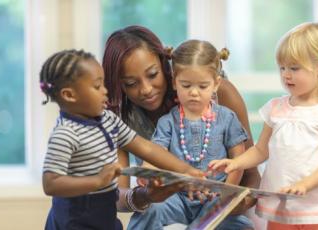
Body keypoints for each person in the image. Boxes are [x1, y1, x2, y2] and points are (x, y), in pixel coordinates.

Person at [102, 25, 260, 220]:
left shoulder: (220, 96)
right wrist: (144, 195)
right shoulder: (120, 118)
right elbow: (118, 196)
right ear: (118, 84)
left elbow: (251, 174)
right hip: (170, 207)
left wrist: (230, 205)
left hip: (221, 206)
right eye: (131, 84)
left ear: (165, 66)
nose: (146, 89)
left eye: (153, 75)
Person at [209, 22, 318, 230]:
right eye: (282, 67)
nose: (286, 74)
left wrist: (305, 184)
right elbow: (260, 150)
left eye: (294, 68)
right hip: (280, 205)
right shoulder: (275, 108)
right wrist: (236, 163)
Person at [40, 49, 203, 230]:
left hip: (104, 216)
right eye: (97, 87)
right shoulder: (65, 134)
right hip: (72, 220)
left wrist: (187, 170)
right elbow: (51, 183)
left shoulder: (108, 119)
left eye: (103, 85)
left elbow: (145, 148)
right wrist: (97, 181)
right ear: (69, 95)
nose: (105, 92)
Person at [130, 39, 253, 229]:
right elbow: (155, 153)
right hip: (177, 196)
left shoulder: (227, 118)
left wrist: (227, 192)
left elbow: (238, 161)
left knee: (240, 226)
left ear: (216, 83)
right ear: (174, 82)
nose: (194, 92)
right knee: (150, 210)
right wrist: (146, 172)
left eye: (203, 86)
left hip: (215, 196)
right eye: (186, 85)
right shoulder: (168, 121)